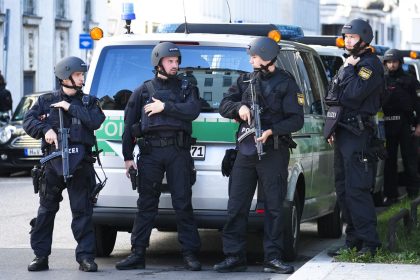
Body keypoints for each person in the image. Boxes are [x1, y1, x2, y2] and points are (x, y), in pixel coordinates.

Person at [213, 37, 304, 274]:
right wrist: (238, 108)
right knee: (236, 206)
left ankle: (272, 258)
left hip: (273, 151)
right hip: (245, 151)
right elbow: (224, 104)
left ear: (266, 55)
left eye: (254, 56)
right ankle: (234, 256)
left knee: (274, 207)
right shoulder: (245, 80)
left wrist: (273, 130)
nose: (251, 60)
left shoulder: (286, 83)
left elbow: (297, 119)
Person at [117, 42, 202, 271]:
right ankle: (137, 253)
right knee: (146, 204)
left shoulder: (186, 87)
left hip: (178, 151)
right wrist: (127, 157)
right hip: (151, 153)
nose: (175, 65)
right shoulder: (143, 90)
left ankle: (190, 253)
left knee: (183, 203)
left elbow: (193, 111)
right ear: (158, 63)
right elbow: (129, 125)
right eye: (170, 61)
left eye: (176, 62)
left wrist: (165, 107)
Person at [23, 56, 105, 272]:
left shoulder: (88, 102)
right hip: (52, 165)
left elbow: (96, 120)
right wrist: (45, 130)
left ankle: (86, 257)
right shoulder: (45, 101)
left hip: (81, 165)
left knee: (82, 212)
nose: (81, 78)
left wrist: (70, 108)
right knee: (46, 211)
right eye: (78, 75)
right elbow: (28, 120)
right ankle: (40, 256)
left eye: (81, 75)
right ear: (64, 77)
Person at [326, 19, 383, 257]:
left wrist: (348, 71)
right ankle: (353, 240)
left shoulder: (369, 64)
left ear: (364, 38)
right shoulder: (348, 63)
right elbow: (332, 95)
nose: (348, 40)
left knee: (357, 189)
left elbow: (351, 96)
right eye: (346, 37)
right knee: (343, 189)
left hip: (359, 135)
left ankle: (370, 243)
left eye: (352, 37)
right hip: (343, 132)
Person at [382, 49, 420, 204]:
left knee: (409, 159)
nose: (392, 65)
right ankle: (391, 195)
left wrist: (418, 124)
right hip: (387, 123)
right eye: (389, 62)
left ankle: (413, 194)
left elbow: (418, 104)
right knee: (388, 161)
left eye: (394, 62)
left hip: (405, 123)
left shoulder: (410, 81)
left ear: (400, 62)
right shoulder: (382, 81)